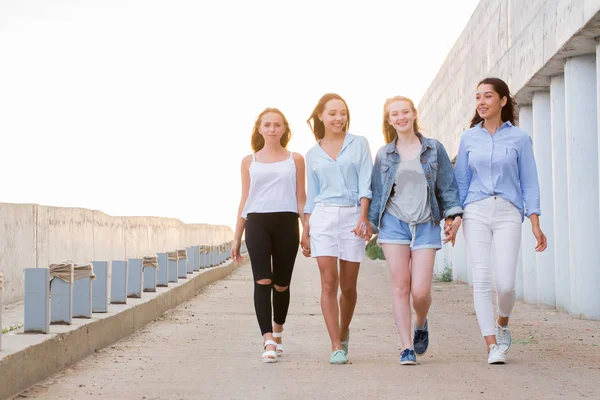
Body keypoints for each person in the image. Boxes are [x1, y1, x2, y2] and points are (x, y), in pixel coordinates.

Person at [454, 77, 547, 364]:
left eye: (488, 96)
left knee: (505, 283)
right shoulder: (469, 137)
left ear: (503, 101)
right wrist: (455, 216)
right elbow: (460, 181)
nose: (481, 102)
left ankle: (502, 322)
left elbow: (529, 182)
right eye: (477, 97)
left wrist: (534, 221)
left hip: (508, 211)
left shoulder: (519, 138)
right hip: (476, 210)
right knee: (481, 278)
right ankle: (491, 345)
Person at [368, 95, 463, 365]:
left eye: (405, 112)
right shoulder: (384, 154)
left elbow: (447, 186)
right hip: (393, 223)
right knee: (401, 286)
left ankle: (420, 322)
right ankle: (406, 346)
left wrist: (454, 214)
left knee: (420, 291)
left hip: (426, 222)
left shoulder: (433, 149)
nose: (401, 117)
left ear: (413, 114)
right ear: (389, 120)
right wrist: (371, 225)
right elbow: (377, 193)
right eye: (395, 114)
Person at [301, 93, 373, 365]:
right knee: (328, 281)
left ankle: (343, 333)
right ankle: (335, 345)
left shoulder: (359, 144)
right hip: (323, 218)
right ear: (320, 115)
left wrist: (364, 217)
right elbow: (312, 195)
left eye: (342, 113)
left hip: (353, 215)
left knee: (349, 286)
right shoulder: (313, 154)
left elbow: (367, 182)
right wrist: (305, 229)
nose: (338, 118)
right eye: (332, 113)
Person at [232, 108, 306, 363]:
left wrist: (306, 230)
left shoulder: (295, 159)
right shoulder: (248, 161)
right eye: (268, 124)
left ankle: (278, 330)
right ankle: (267, 340)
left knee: (281, 284)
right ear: (260, 128)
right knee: (262, 281)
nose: (272, 129)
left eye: (277, 124)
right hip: (257, 223)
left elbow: (301, 198)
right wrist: (236, 236)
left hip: (287, 222)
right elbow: (245, 199)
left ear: (284, 129)